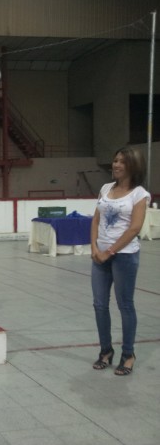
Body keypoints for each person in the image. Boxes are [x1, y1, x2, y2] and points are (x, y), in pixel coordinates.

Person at [90, 146, 150, 376]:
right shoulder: (106, 188)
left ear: (133, 166)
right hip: (100, 255)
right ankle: (106, 351)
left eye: (122, 162)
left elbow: (134, 228)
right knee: (99, 304)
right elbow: (96, 219)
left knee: (125, 305)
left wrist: (110, 251)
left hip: (124, 256)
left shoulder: (139, 194)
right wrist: (94, 247)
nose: (116, 165)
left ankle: (128, 354)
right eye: (115, 160)